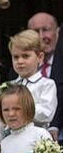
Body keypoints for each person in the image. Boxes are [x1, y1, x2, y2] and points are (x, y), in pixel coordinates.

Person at [6, 30, 58, 131]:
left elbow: (46, 114)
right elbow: (3, 120)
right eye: (16, 57)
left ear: (40, 57)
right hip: (11, 140)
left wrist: (20, 107)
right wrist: (0, 142)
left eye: (25, 56)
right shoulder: (9, 86)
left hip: (37, 140)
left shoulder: (46, 84)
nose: (20, 61)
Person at [27, 12, 63, 141]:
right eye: (36, 31)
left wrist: (54, 126)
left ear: (57, 32)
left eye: (46, 30)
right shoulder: (18, 70)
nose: (41, 36)